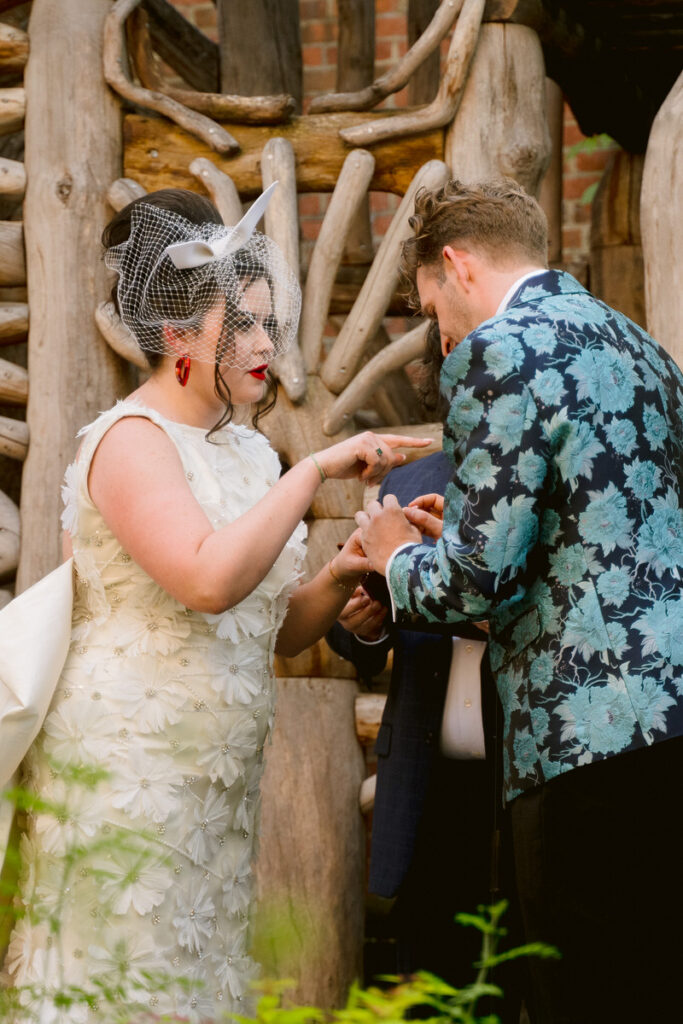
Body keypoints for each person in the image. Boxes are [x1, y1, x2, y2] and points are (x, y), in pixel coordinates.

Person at [3, 187, 427, 1022]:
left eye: (269, 322)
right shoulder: (129, 443)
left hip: (214, 788)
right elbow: (204, 581)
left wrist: (340, 573)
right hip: (129, 769)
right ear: (177, 336)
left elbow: (268, 626)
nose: (266, 344)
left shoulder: (244, 453)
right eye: (245, 325)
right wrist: (312, 472)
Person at [356, 178, 683, 1024]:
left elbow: (475, 577)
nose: (443, 333)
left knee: (579, 990)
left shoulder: (499, 350)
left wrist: (397, 559)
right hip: (669, 718)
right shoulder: (640, 346)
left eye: (433, 308)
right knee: (653, 980)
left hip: (580, 734)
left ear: (455, 267)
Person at [328, 450, 500, 989]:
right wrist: (364, 624)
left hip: (523, 769)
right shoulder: (408, 481)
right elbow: (354, 640)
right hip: (428, 778)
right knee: (431, 980)